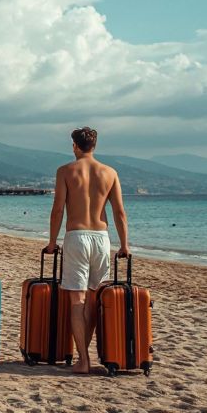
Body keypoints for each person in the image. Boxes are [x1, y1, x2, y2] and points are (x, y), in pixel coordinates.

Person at [44, 127, 129, 375]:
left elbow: (58, 210)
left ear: (74, 145)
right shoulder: (110, 173)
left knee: (76, 300)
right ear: (95, 146)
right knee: (93, 298)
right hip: (102, 238)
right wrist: (124, 244)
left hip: (77, 237)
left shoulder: (66, 171)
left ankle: (83, 359)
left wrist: (52, 242)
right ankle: (85, 354)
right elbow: (119, 212)